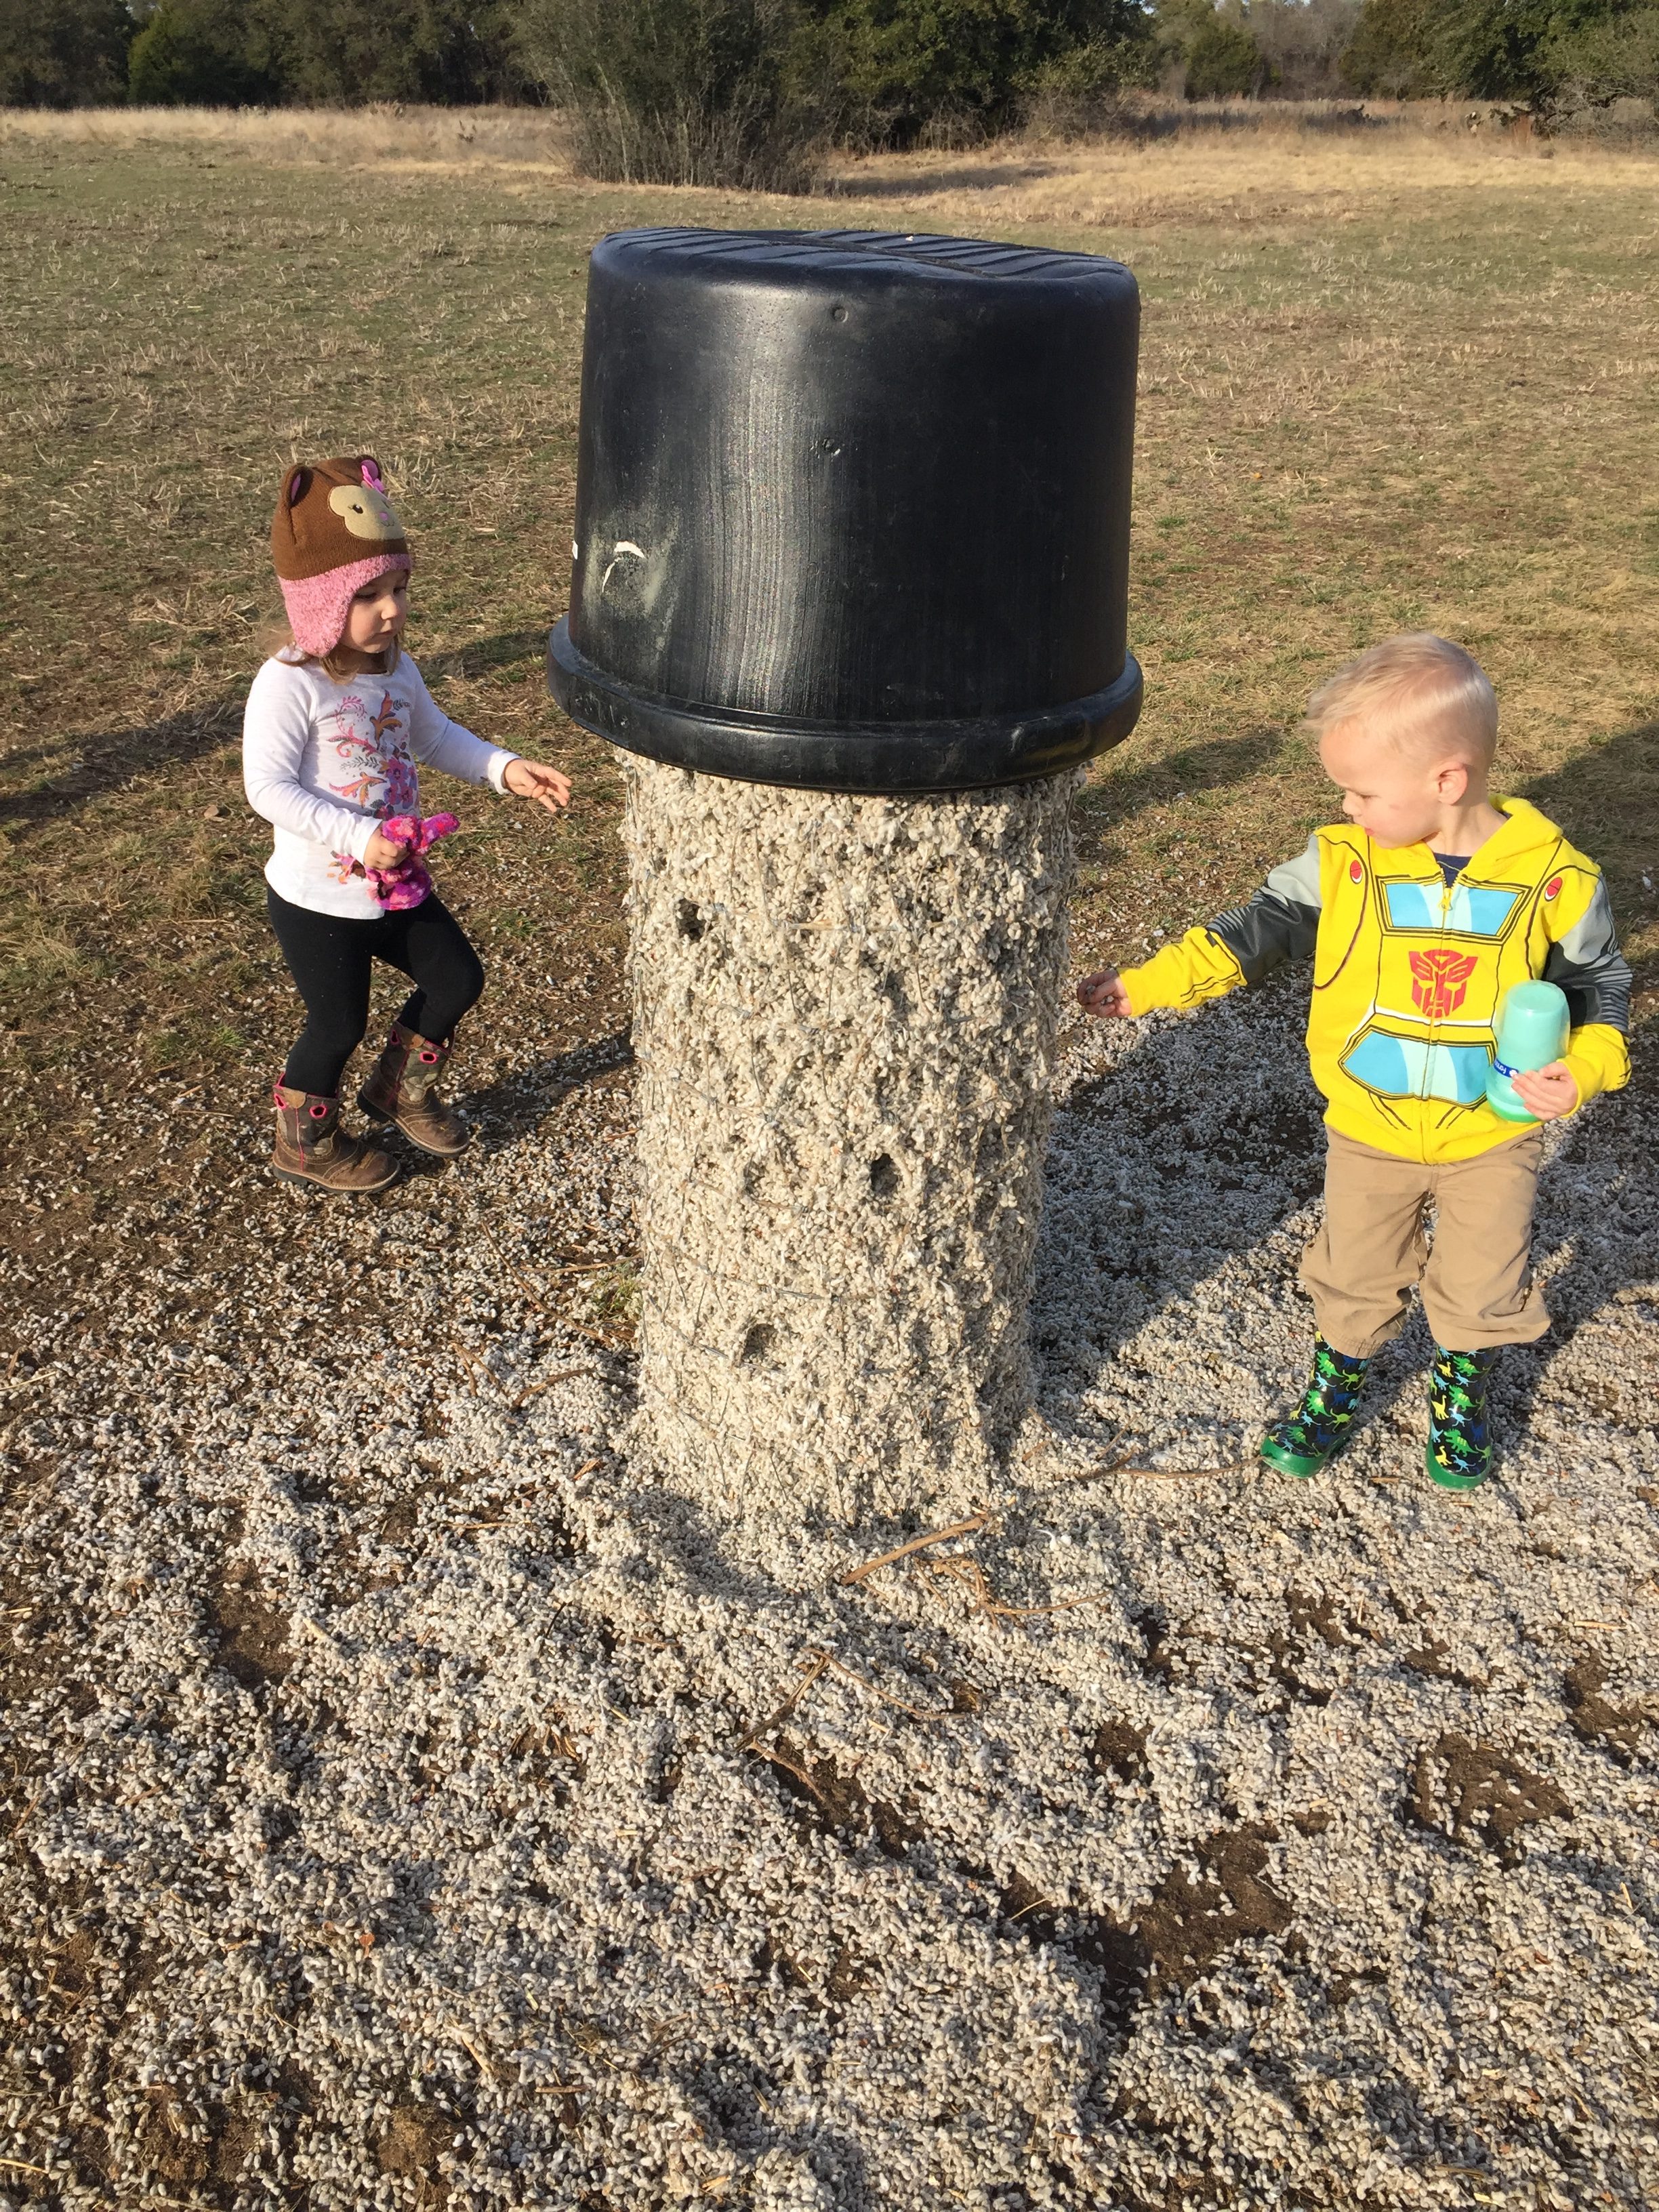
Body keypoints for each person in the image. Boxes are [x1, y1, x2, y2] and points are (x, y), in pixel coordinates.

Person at [1078, 634, 1631, 1490]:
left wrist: (1586, 1066)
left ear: (1446, 781)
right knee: (1354, 1272)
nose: (1345, 806)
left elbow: (1600, 985)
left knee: (1483, 1279)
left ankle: (1460, 1389)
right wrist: (1148, 984)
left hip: (1495, 1129)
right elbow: (1251, 932)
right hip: (1369, 1126)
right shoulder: (1342, 864)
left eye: (1363, 790)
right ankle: (1336, 1386)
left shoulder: (1558, 881)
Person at [243, 454, 571, 1194]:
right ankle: (306, 1140)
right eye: (368, 595)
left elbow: (433, 737)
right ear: (322, 602)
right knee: (336, 1026)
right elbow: (266, 786)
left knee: (457, 977)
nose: (392, 610)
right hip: (318, 900)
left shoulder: (397, 668)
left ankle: (398, 1090)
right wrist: (360, 837)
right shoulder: (290, 682)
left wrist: (503, 767)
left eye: (399, 588)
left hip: (397, 888)